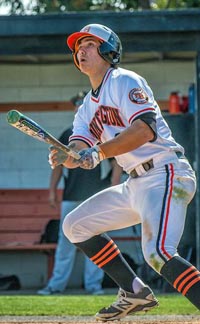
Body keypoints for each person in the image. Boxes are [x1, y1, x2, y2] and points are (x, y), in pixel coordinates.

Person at [48, 24, 200, 321]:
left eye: (90, 44)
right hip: (135, 183)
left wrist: (99, 152)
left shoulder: (123, 80)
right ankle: (134, 291)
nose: (81, 50)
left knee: (158, 252)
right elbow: (80, 145)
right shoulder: (85, 107)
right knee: (74, 225)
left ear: (108, 51)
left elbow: (144, 130)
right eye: (78, 47)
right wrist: (68, 155)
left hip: (166, 172)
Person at [38, 91, 123, 296]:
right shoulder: (68, 133)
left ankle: (94, 286)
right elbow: (57, 165)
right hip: (70, 196)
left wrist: (114, 187)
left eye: (82, 104)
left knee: (96, 242)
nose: (79, 107)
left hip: (96, 196)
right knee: (65, 243)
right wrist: (52, 191)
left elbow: (117, 163)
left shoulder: (103, 135)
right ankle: (55, 286)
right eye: (76, 104)